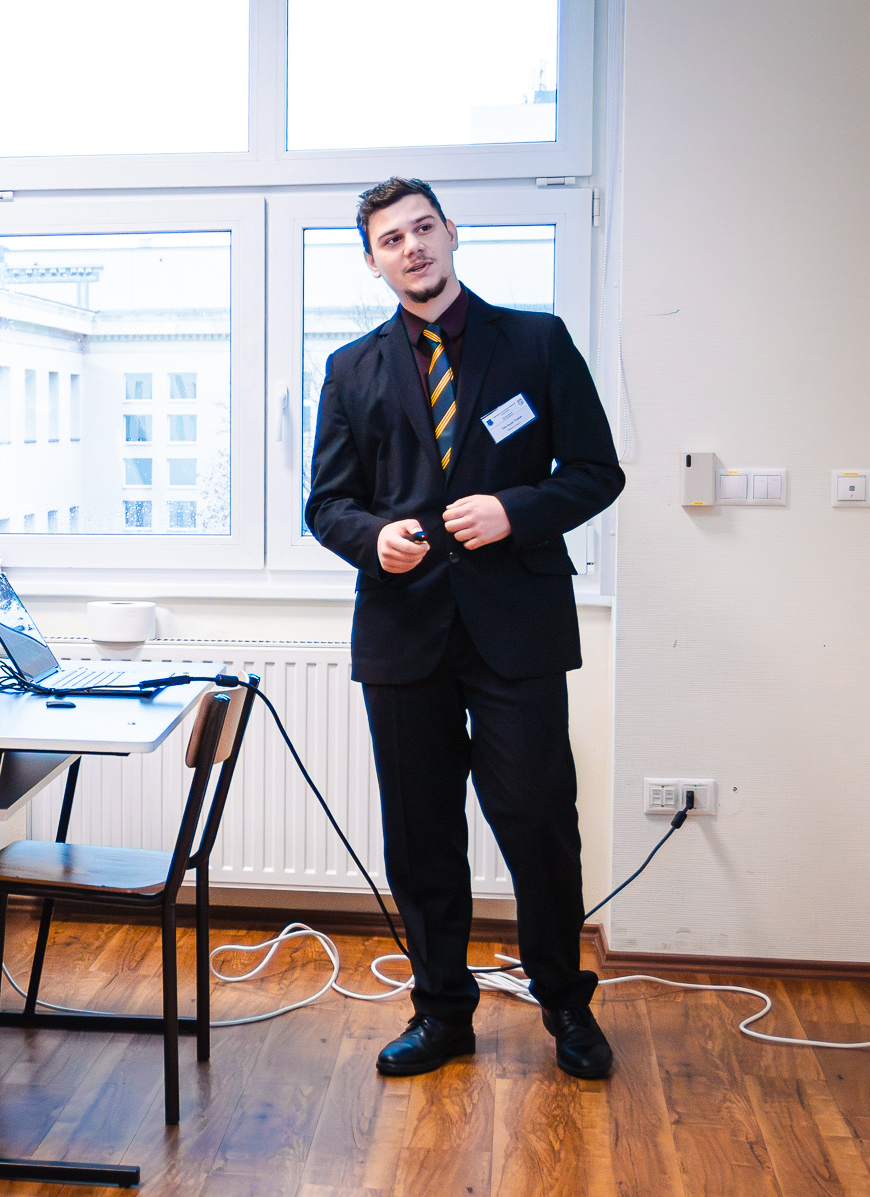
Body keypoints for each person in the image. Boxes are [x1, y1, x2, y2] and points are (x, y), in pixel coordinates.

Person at [306, 177, 625, 1081]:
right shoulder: (351, 368)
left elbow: (596, 471)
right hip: (404, 629)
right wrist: (375, 540)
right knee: (420, 834)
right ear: (373, 261)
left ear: (452, 233)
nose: (411, 247)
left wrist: (514, 511)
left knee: (539, 821)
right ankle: (442, 1011)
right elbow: (327, 504)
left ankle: (566, 1003)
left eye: (423, 228)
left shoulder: (536, 341)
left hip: (517, 625)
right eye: (391, 239)